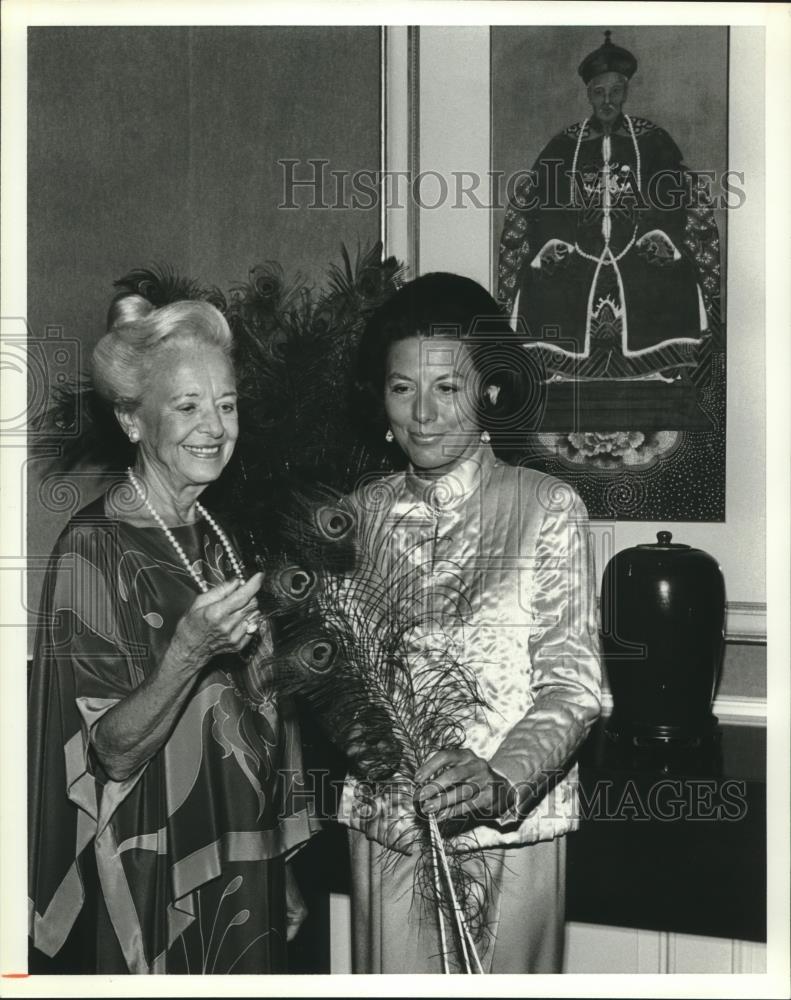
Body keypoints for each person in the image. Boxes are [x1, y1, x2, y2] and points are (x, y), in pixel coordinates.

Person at [28, 295, 316, 973]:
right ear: (132, 419)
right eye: (187, 406)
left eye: (226, 403)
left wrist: (281, 859)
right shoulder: (91, 551)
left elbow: (262, 719)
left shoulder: (221, 535)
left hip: (246, 863)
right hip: (152, 872)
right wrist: (186, 653)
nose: (213, 427)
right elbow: (111, 755)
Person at [338, 272, 602, 973]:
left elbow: (572, 687)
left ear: (488, 390)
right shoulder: (355, 516)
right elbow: (337, 681)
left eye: (446, 388)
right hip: (391, 831)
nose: (422, 414)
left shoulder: (546, 507)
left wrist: (497, 778)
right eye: (401, 388)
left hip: (513, 832)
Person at [498, 31, 717, 427]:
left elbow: (673, 194)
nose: (608, 101)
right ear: (588, 94)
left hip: (640, 246)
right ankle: (555, 382)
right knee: (545, 280)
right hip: (575, 248)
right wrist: (552, 242)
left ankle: (663, 379)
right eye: (599, 92)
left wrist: (661, 235)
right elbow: (544, 203)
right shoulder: (564, 146)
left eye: (616, 91)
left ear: (626, 92)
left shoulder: (653, 141)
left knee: (670, 277)